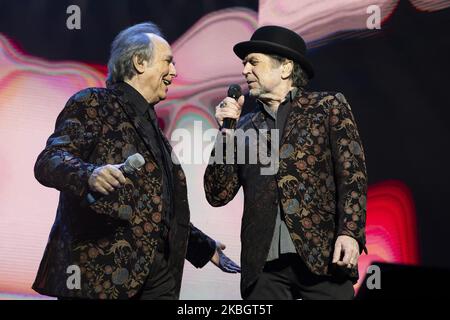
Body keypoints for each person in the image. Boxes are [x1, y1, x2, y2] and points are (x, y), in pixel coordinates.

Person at [32, 22, 240, 300]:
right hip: (101, 279)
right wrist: (89, 175)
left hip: (159, 280)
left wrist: (203, 246)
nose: (175, 72)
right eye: (167, 62)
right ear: (139, 62)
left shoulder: (155, 129)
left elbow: (157, 209)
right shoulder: (94, 102)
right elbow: (49, 160)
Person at [204, 25, 367, 300]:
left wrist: (350, 232)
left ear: (286, 68)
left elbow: (352, 175)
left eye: (253, 62)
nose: (244, 71)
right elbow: (217, 194)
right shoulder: (242, 128)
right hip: (264, 268)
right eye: (244, 64)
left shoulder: (326, 107)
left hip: (322, 256)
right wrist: (225, 134)